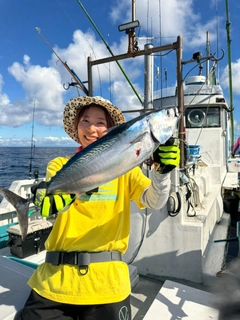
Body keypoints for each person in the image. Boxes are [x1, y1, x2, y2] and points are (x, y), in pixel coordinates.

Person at [18, 96, 180, 320]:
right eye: (85, 121)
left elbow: (154, 201)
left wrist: (162, 174)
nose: (92, 128)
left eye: (100, 122)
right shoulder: (59, 165)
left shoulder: (128, 170)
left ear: (111, 130)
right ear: (76, 127)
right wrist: (49, 204)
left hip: (108, 284)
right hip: (56, 281)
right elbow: (53, 204)